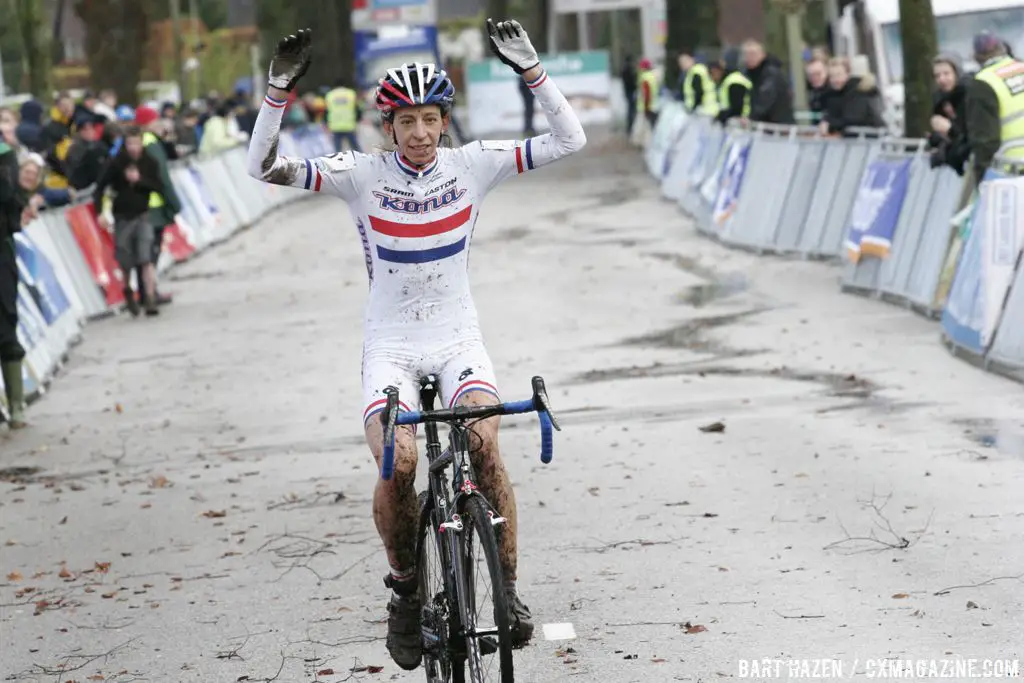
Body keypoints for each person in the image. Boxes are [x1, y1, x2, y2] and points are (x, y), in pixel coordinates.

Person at [246, 20, 586, 671]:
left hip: (459, 339)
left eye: (431, 118)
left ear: (445, 121)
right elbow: (262, 166)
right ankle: (405, 591)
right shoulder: (359, 175)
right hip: (392, 350)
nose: (422, 133)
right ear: (389, 127)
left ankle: (507, 592)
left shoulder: (474, 164)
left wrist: (531, 68)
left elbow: (570, 138)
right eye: (408, 121)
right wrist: (277, 91)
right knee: (398, 464)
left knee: (486, 443)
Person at [94, 127, 166, 316]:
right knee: (126, 260)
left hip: (142, 215)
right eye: (130, 144)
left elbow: (159, 186)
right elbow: (100, 187)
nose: (134, 148)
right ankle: (128, 290)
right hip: (122, 217)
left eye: (136, 143)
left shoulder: (149, 162)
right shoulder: (116, 163)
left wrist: (140, 180)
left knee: (146, 258)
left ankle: (150, 297)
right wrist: (100, 212)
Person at [966, 31, 1024, 183]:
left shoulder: (983, 83)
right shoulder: (1021, 67)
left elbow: (985, 140)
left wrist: (981, 179)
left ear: (976, 57)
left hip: (1013, 170)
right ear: (1002, 48)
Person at [0, 135, 28, 429]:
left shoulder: (4, 154)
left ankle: (17, 403)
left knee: (5, 321)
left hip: (1, 252)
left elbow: (11, 196)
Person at [818, 57, 885, 136]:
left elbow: (854, 118)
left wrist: (830, 125)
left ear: (848, 74)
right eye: (832, 76)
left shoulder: (859, 90)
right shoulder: (834, 95)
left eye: (838, 75)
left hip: (870, 139)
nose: (835, 80)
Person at [929, 53, 970, 174]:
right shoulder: (939, 99)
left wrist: (950, 129)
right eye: (937, 76)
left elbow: (970, 134)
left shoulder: (968, 95)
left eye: (946, 74)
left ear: (957, 73)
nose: (942, 79)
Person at [743, 40, 795, 125]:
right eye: (747, 55)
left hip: (778, 126)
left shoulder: (771, 73)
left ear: (763, 54)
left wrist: (752, 118)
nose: (750, 58)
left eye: (753, 54)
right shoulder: (750, 75)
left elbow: (766, 97)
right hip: (764, 126)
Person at [715, 47, 752, 125]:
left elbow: (737, 108)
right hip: (738, 124)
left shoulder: (735, 80)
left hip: (740, 125)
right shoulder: (733, 78)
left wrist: (722, 116)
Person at [326, 77, 363, 152]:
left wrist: (326, 122)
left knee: (337, 149)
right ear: (344, 84)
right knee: (355, 147)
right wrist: (358, 118)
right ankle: (362, 160)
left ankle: (338, 162)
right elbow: (357, 108)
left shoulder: (330, 95)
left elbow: (326, 110)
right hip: (349, 124)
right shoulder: (351, 93)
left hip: (335, 125)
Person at [637, 58, 660, 128]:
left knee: (644, 130)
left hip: (647, 107)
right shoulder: (652, 76)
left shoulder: (645, 78)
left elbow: (646, 94)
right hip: (654, 106)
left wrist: (646, 109)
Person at [621, 54, 638, 136]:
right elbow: (630, 82)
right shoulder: (627, 70)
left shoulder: (625, 69)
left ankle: (629, 127)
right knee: (631, 110)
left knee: (630, 110)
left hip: (628, 92)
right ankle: (630, 127)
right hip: (630, 92)